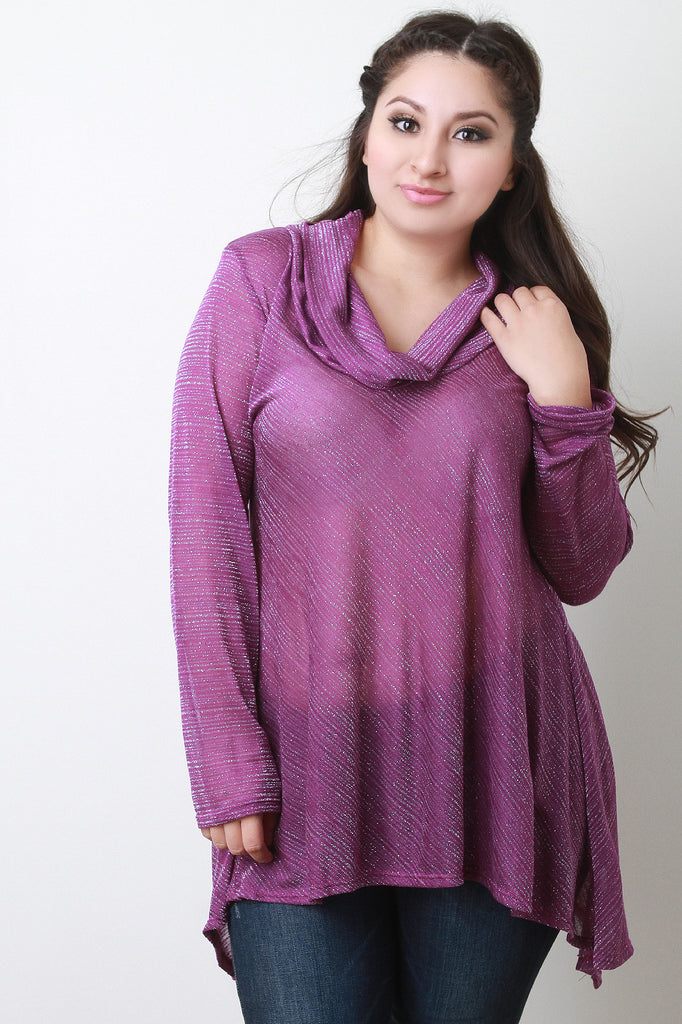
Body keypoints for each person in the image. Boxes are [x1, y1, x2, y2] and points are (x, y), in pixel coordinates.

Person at [168, 10, 661, 1023]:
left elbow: (580, 568)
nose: (428, 158)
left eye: (470, 133)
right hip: (305, 766)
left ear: (512, 167)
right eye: (405, 122)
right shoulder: (263, 282)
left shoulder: (530, 322)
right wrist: (227, 759)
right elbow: (205, 528)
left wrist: (566, 400)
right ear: (366, 136)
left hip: (495, 764)